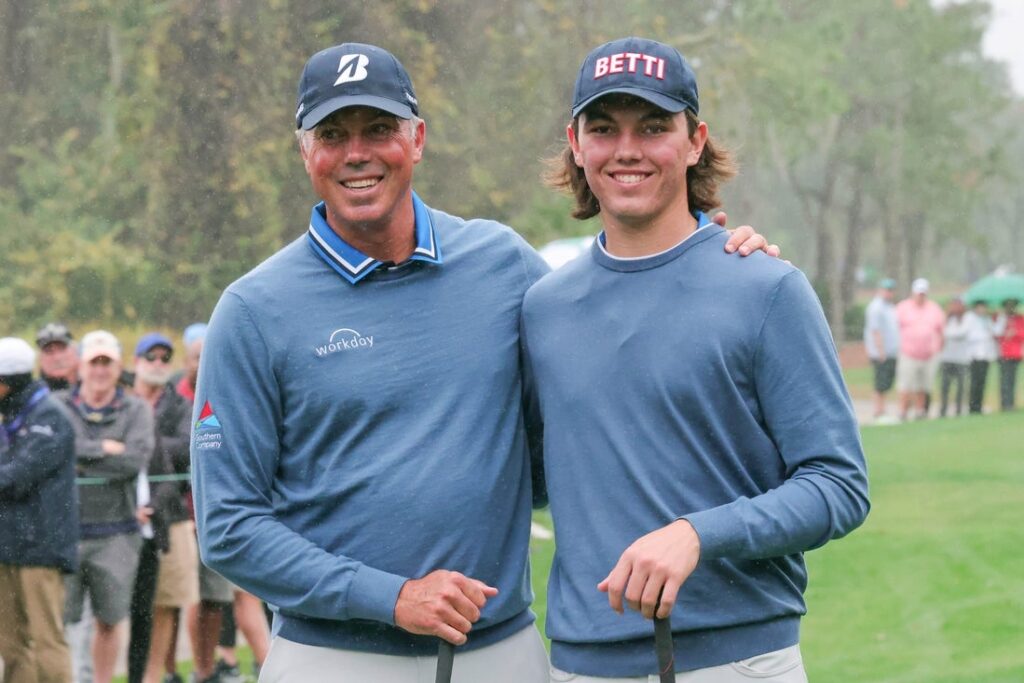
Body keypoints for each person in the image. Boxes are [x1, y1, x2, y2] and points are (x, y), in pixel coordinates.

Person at [191, 42, 774, 683]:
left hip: (502, 653)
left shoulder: (500, 263)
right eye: (332, 133)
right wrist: (391, 597)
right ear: (306, 151)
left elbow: (610, 313)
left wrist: (706, 256)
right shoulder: (253, 309)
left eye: (379, 129)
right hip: (332, 657)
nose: (357, 152)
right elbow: (229, 527)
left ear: (416, 139)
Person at [522, 37, 870, 682]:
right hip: (579, 664)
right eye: (604, 128)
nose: (627, 149)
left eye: (654, 127)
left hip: (737, 661)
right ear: (576, 143)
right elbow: (536, 478)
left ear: (694, 141)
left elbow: (838, 486)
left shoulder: (765, 288)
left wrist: (698, 533)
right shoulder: (543, 307)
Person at [58, 330, 155, 683]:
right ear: (80, 366)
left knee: (110, 621)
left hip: (118, 532)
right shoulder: (59, 406)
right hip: (65, 531)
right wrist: (105, 449)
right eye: (93, 362)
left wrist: (82, 454)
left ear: (118, 368)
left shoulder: (137, 409)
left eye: (107, 363)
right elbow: (58, 452)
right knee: (61, 621)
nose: (100, 370)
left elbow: (133, 461)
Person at [0, 337, 79, 683]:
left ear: (10, 381)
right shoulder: (11, 414)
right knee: (10, 643)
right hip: (7, 544)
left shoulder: (50, 416)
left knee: (48, 640)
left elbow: (16, 477)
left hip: (41, 547)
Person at [125, 333, 198, 683]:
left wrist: (137, 442)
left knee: (166, 602)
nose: (157, 364)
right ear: (136, 361)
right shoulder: (120, 398)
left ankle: (153, 676)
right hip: (121, 514)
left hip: (172, 514)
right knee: (119, 609)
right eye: (149, 357)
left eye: (163, 359)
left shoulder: (181, 405)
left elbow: (187, 448)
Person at [895, 278, 945, 420]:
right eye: (918, 293)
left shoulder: (934, 309)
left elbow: (941, 331)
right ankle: (903, 412)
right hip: (908, 353)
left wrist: (938, 349)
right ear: (913, 293)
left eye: (923, 293)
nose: (921, 296)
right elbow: (894, 329)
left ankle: (920, 412)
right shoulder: (903, 308)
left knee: (923, 386)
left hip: (929, 355)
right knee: (905, 385)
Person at [863, 278, 900, 421]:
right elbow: (875, 331)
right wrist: (880, 351)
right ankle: (878, 411)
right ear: (881, 290)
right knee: (880, 382)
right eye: (886, 290)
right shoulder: (876, 307)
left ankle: (882, 410)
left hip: (891, 351)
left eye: (891, 290)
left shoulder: (890, 307)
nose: (889, 293)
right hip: (880, 353)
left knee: (886, 382)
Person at [964, 300, 997, 414]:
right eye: (980, 307)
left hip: (985, 355)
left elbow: (996, 331)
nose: (982, 310)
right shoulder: (970, 318)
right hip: (974, 355)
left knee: (982, 382)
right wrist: (983, 335)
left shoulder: (987, 319)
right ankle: (972, 407)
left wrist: (999, 317)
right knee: (975, 382)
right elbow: (968, 334)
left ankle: (979, 406)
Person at [938, 297, 970, 417]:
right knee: (945, 386)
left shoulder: (967, 318)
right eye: (953, 305)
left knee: (961, 387)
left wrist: (946, 333)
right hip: (946, 358)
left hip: (961, 359)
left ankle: (958, 410)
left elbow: (961, 333)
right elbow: (940, 332)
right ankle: (943, 410)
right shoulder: (946, 319)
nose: (955, 308)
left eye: (958, 305)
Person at [993, 298, 1023, 411]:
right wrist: (1005, 331)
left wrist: (1015, 333)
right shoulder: (1000, 318)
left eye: (1012, 305)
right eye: (1008, 305)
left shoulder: (1019, 318)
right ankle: (1005, 403)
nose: (1010, 308)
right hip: (1003, 353)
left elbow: (1022, 333)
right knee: (1004, 379)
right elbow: (996, 334)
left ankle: (1011, 403)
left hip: (1015, 353)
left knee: (1012, 379)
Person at [36, 322, 79, 391]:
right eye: (49, 351)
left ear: (75, 350)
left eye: (62, 349)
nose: (57, 358)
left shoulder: (95, 387)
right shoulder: (34, 397)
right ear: (40, 359)